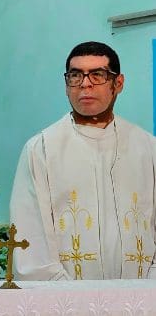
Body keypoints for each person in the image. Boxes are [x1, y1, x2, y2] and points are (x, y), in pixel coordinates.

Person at [10, 41, 156, 281]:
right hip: (65, 297)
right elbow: (31, 237)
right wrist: (73, 297)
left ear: (118, 83)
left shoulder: (148, 148)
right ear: (66, 85)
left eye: (97, 75)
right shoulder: (42, 149)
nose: (85, 84)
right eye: (76, 75)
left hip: (142, 295)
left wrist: (144, 291)